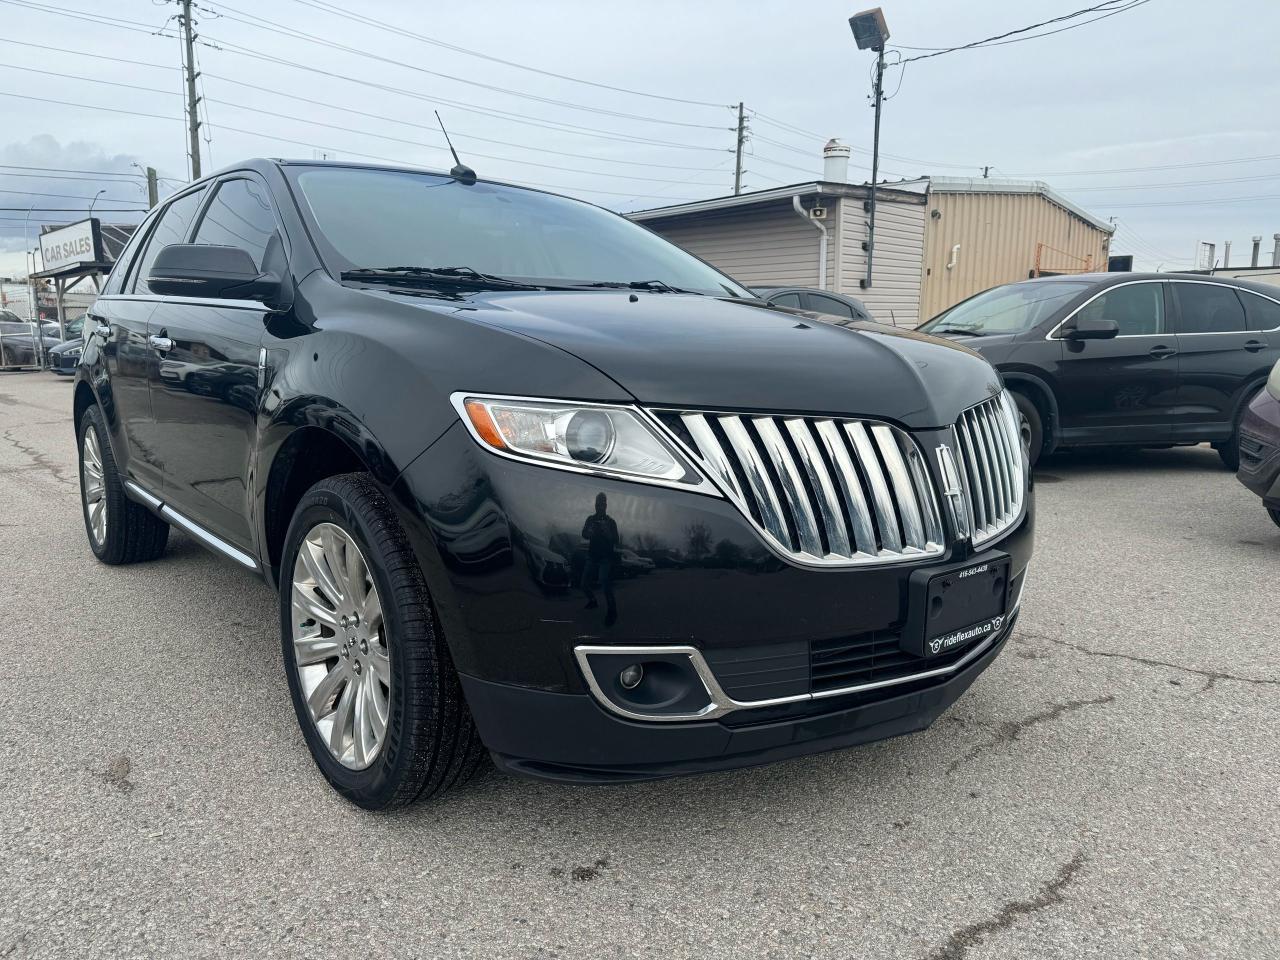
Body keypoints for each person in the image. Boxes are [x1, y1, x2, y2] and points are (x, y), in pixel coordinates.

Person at [580, 492, 618, 626]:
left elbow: (616, 540)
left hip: (605, 557)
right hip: (592, 556)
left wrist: (608, 533)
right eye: (597, 504)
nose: (599, 506)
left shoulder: (611, 522)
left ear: (606, 505)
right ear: (595, 505)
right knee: (583, 583)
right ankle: (593, 601)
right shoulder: (590, 519)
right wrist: (589, 533)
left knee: (604, 581)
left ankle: (612, 611)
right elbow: (584, 534)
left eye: (602, 504)